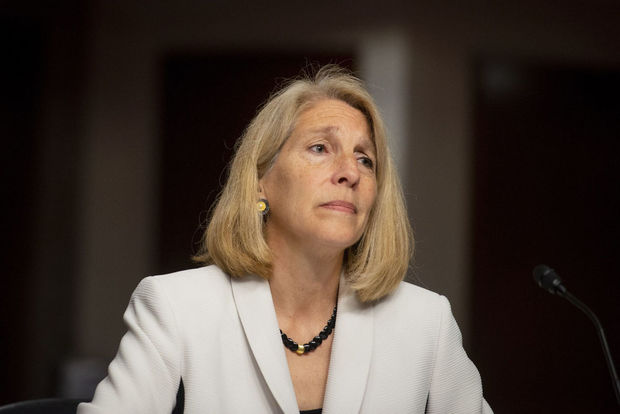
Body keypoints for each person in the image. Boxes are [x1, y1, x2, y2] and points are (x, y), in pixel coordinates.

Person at [77, 65, 493, 413]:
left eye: (365, 159)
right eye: (320, 148)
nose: (350, 172)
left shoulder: (426, 322)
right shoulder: (175, 308)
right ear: (261, 181)